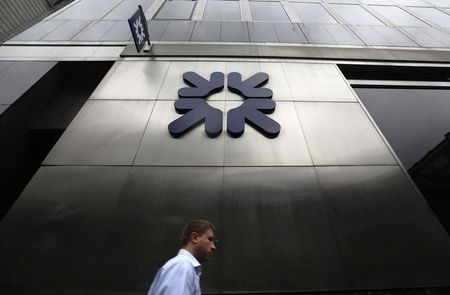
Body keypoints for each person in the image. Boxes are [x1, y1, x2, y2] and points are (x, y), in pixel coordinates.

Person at [147, 219, 217, 295]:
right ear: (194, 238)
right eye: (209, 239)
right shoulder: (182, 266)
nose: (213, 247)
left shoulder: (184, 266)